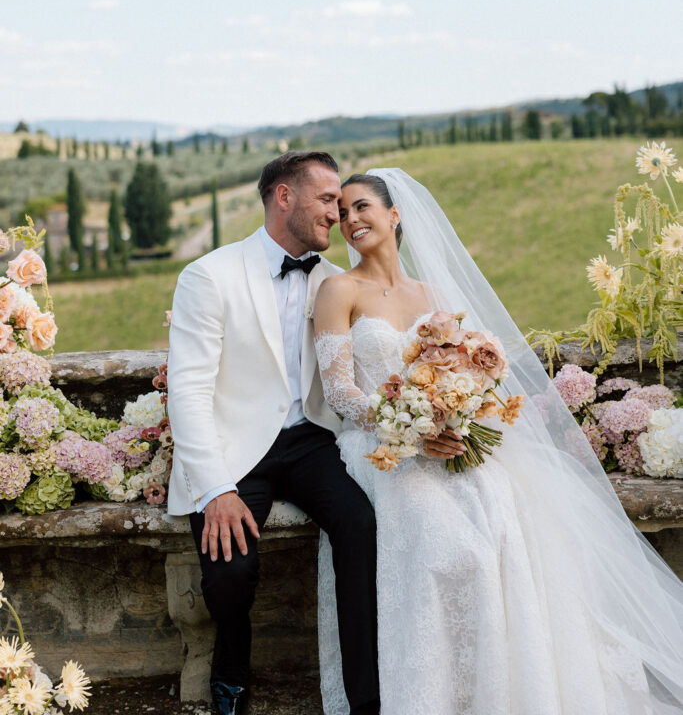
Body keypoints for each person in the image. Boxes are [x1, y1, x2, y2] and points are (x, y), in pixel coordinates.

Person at [314, 168, 683, 715]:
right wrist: (412, 427)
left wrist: (456, 419)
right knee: (445, 540)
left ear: (394, 213)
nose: (350, 220)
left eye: (361, 206)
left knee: (504, 521)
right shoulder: (338, 289)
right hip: (383, 448)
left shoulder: (434, 295)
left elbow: (471, 375)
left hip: (450, 441)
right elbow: (340, 392)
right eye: (342, 213)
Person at [166, 152, 381, 715]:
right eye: (327, 199)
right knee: (231, 570)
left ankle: (366, 695)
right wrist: (216, 488)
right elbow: (188, 392)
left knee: (360, 523)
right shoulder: (209, 276)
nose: (337, 213)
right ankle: (231, 671)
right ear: (285, 197)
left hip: (311, 440)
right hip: (233, 447)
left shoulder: (334, 281)